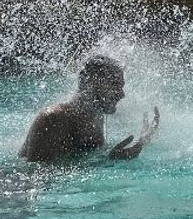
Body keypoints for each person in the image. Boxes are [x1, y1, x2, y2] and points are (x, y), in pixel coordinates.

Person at [19, 55, 159, 162]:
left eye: (120, 86)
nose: (121, 94)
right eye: (114, 86)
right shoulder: (53, 119)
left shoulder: (95, 114)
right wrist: (108, 161)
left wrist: (142, 140)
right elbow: (37, 176)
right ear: (88, 83)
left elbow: (89, 155)